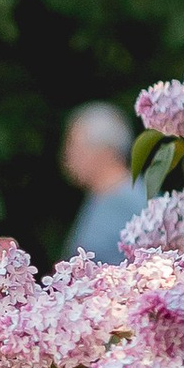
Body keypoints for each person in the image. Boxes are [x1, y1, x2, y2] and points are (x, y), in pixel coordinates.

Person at [62, 101, 146, 263]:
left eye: (74, 146)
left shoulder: (132, 200)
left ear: (104, 150)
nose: (67, 156)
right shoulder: (100, 197)